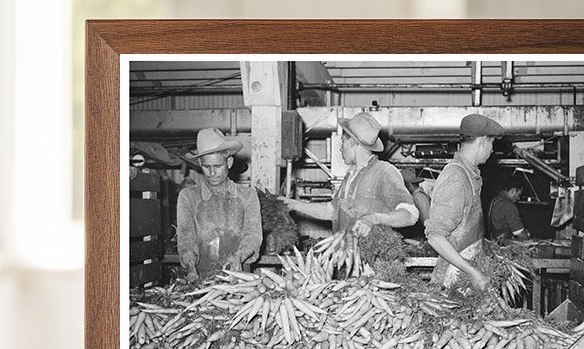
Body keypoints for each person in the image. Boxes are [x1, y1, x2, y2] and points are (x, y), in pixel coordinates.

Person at [283, 112, 417, 237]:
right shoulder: (350, 176)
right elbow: (332, 211)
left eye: (343, 141)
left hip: (370, 259)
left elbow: (410, 214)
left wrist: (373, 219)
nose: (341, 147)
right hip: (346, 256)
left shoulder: (384, 172)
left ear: (353, 142)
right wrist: (293, 204)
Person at [424, 113, 507, 289]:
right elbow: (435, 237)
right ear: (483, 141)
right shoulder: (456, 177)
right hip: (451, 283)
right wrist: (474, 273)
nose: (492, 150)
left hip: (464, 279)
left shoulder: (470, 175)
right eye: (492, 143)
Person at [176, 128, 263, 280]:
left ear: (229, 162)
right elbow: (186, 238)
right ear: (199, 163)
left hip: (240, 277)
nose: (212, 173)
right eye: (206, 167)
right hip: (201, 278)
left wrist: (239, 257)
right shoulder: (188, 197)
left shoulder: (248, 195)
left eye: (217, 166)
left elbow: (253, 236)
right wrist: (190, 266)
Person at [488, 172, 531, 241]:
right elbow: (521, 235)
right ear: (513, 191)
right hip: (503, 246)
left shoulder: (496, 200)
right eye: (518, 194)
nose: (518, 198)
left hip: (493, 242)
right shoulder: (509, 206)